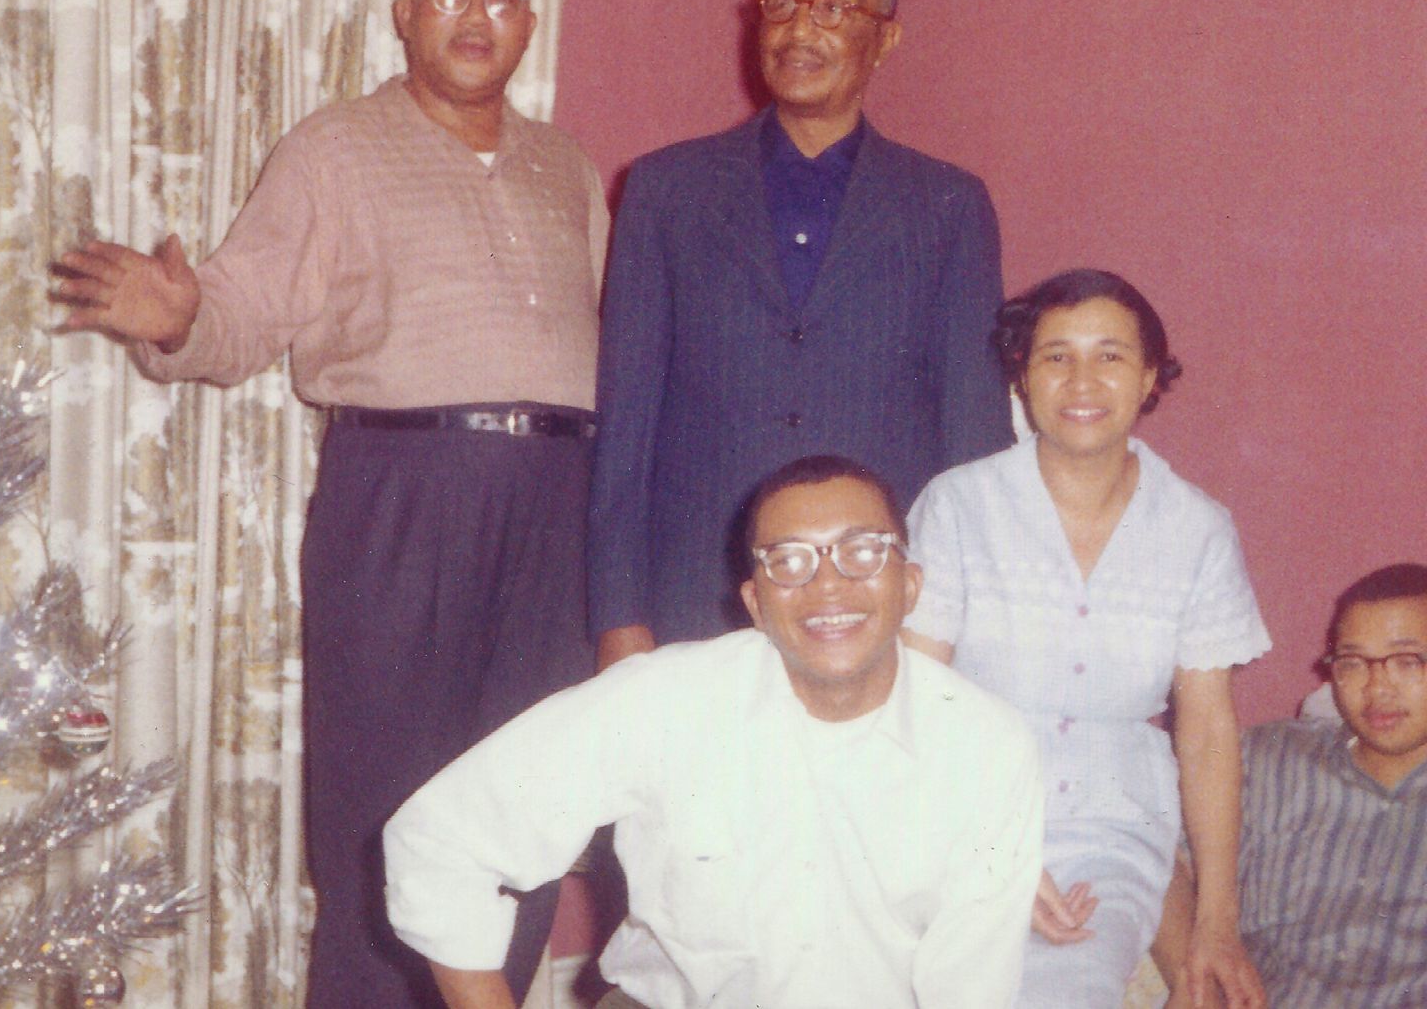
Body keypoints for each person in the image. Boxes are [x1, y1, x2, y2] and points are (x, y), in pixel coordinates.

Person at [50, 0, 608, 1008]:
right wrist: (181, 317)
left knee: (530, 801)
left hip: (556, 507)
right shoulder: (335, 147)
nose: (473, 15)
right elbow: (246, 305)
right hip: (402, 495)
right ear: (404, 16)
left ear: (527, 25)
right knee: (383, 817)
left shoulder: (566, 167)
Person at [385, 455, 1045, 1009]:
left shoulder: (987, 749)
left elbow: (970, 992)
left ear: (910, 584)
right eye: (788, 560)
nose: (828, 585)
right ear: (754, 602)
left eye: (862, 551)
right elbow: (440, 840)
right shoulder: (665, 699)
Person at [587, 0, 1012, 671]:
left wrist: (953, 615)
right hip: (700, 589)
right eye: (780, 4)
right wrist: (619, 616)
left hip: (874, 598)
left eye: (832, 8)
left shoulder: (948, 204)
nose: (799, 28)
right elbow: (627, 421)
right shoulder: (666, 189)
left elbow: (971, 435)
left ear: (885, 39)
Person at [901, 268, 1270, 1009]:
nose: (1081, 380)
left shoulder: (1198, 528)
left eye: (1109, 355)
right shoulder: (958, 503)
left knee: (1063, 983)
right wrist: (988, 855)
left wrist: (1216, 923)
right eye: (1055, 355)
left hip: (1111, 827)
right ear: (1023, 376)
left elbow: (1205, 732)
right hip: (966, 813)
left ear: (1148, 380)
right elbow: (917, 698)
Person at [1157, 563, 1427, 1008]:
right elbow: (1151, 840)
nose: (1377, 687)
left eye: (1407, 661)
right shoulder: (1267, 761)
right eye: (1353, 663)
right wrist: (1200, 984)